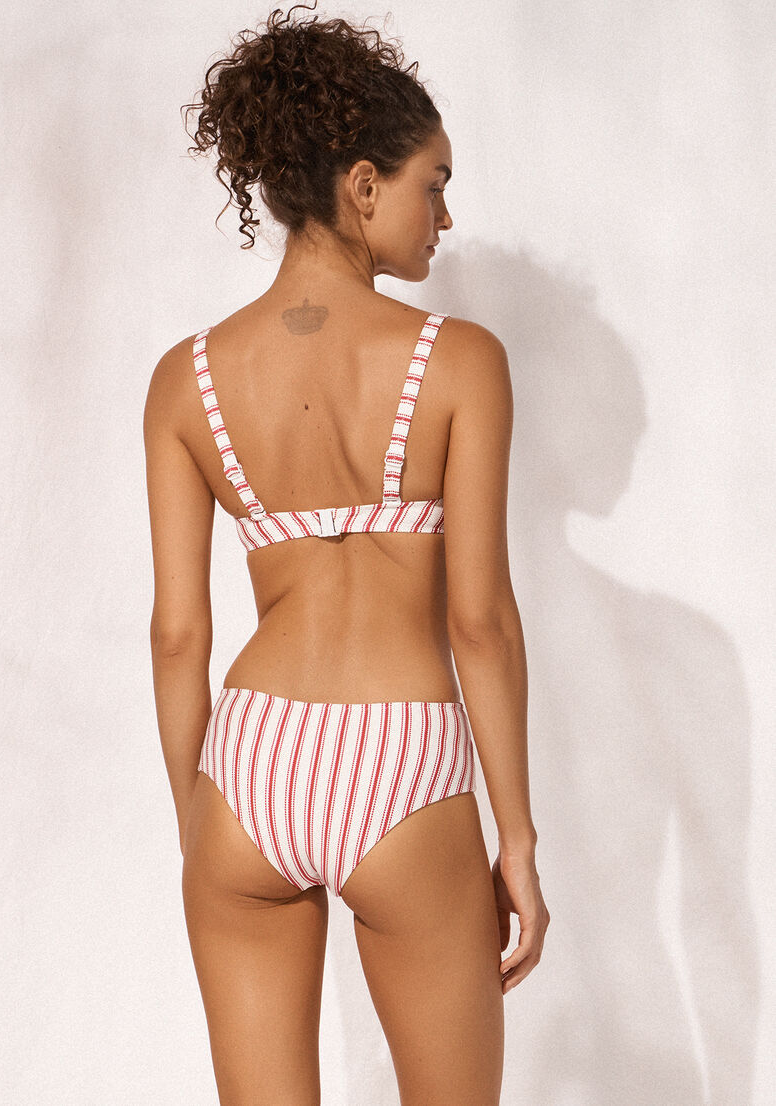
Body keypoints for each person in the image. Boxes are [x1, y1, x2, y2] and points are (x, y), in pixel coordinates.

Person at [144, 3, 549, 1102]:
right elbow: (479, 622)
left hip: (248, 762)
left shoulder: (186, 379)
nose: (445, 215)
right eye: (433, 184)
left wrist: (199, 820)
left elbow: (178, 635)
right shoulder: (459, 361)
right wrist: (514, 838)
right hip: (402, 758)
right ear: (363, 185)